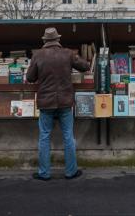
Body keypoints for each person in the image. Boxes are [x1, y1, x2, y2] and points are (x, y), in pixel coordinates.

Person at [26, 27, 90, 181]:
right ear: (58, 40)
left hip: (46, 103)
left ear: (45, 41)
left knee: (44, 137)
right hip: (65, 102)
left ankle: (44, 173)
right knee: (68, 136)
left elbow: (30, 78)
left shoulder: (38, 55)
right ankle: (70, 172)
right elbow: (85, 67)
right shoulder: (67, 53)